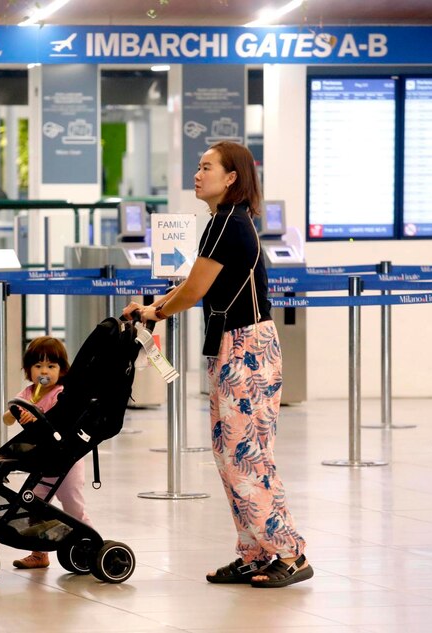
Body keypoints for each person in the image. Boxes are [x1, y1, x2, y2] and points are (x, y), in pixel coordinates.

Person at [123, 141, 312, 589]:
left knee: (245, 458)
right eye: (198, 166)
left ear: (231, 178)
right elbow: (195, 284)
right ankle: (255, 553)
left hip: (246, 351)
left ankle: (289, 552)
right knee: (236, 456)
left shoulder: (228, 223)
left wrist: (155, 313)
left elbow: (192, 293)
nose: (197, 173)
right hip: (238, 347)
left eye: (207, 167)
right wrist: (154, 304)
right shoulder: (222, 221)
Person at [4, 336, 91, 570]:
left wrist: (38, 418)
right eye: (38, 366)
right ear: (28, 370)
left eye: (51, 366)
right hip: (42, 461)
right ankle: (39, 552)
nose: (44, 371)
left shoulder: (62, 394)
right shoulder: (28, 394)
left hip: (66, 461)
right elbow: (7, 417)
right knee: (34, 503)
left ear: (62, 370)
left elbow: (58, 418)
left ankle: (90, 543)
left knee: (73, 505)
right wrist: (14, 412)